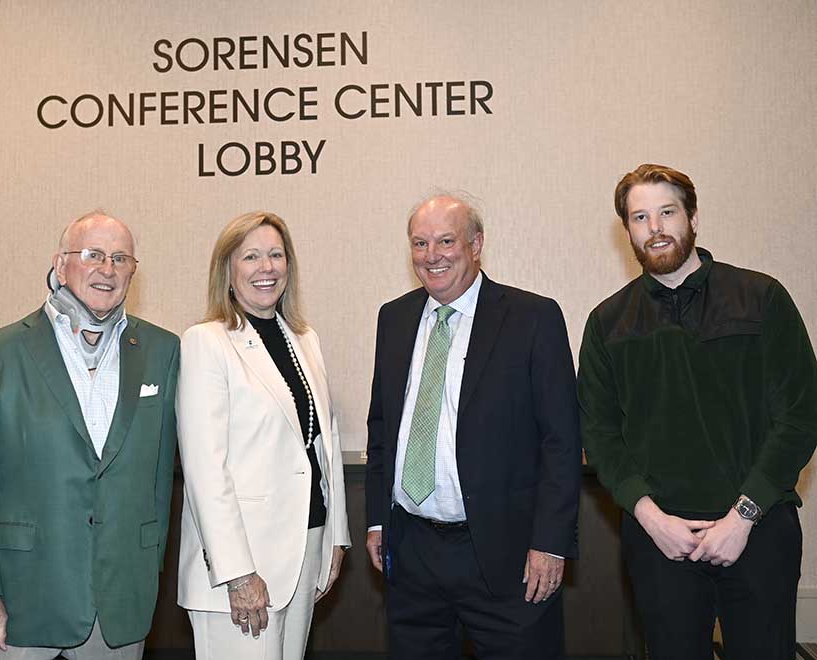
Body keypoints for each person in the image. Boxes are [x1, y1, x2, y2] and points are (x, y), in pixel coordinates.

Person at [578, 163, 817, 659]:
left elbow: (801, 414)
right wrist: (651, 517)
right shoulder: (607, 323)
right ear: (627, 230)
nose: (656, 228)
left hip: (758, 531)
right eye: (640, 217)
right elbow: (600, 437)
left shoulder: (761, 296)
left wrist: (743, 516)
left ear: (692, 218)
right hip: (660, 541)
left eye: (667, 212)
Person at [0, 211, 180, 660]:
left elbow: (158, 482)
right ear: (60, 264)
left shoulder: (163, 351)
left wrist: (144, 574)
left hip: (119, 602)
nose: (107, 269)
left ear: (134, 270)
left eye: (120, 258)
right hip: (19, 601)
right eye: (92, 255)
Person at [364, 193, 581, 659]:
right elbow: (382, 429)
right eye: (420, 243)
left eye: (446, 241)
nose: (432, 256)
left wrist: (551, 542)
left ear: (476, 244)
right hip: (413, 551)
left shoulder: (532, 318)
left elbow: (561, 443)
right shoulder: (394, 318)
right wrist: (379, 521)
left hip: (506, 555)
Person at [176, 211, 350, 660]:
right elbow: (204, 469)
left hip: (305, 547)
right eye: (250, 256)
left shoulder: (304, 338)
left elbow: (322, 445)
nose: (266, 267)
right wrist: (237, 573)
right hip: (243, 566)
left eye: (276, 255)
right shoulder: (206, 342)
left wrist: (335, 537)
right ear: (228, 272)